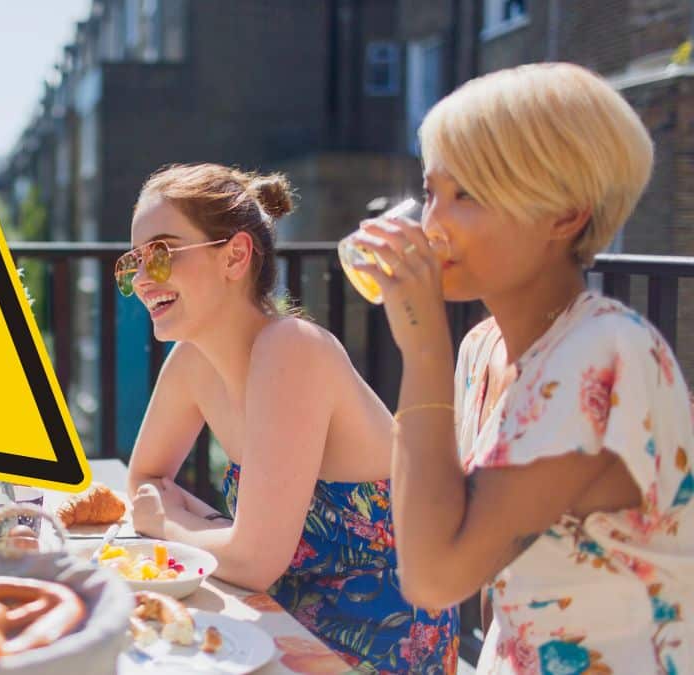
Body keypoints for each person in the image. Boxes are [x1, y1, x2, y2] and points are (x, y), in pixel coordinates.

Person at [351, 62, 694, 672]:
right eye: (433, 193)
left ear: (566, 215)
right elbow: (488, 581)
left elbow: (434, 578)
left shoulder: (608, 352)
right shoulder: (483, 348)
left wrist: (423, 348)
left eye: (469, 195)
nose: (432, 224)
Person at [123, 163, 458, 673]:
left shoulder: (292, 350)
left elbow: (253, 561)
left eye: (163, 254)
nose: (145, 278)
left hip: (377, 643)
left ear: (234, 256)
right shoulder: (193, 360)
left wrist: (169, 522)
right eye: (135, 260)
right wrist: (216, 531)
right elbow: (144, 481)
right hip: (279, 619)